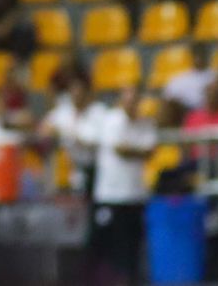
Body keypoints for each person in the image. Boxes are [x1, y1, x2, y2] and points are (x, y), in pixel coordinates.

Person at [86, 89, 156, 286]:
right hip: (110, 195)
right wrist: (138, 150)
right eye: (127, 101)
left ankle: (130, 280)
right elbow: (121, 149)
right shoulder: (111, 120)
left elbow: (149, 151)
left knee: (132, 246)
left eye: (134, 101)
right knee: (105, 245)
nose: (131, 105)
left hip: (134, 195)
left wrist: (133, 149)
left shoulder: (145, 123)